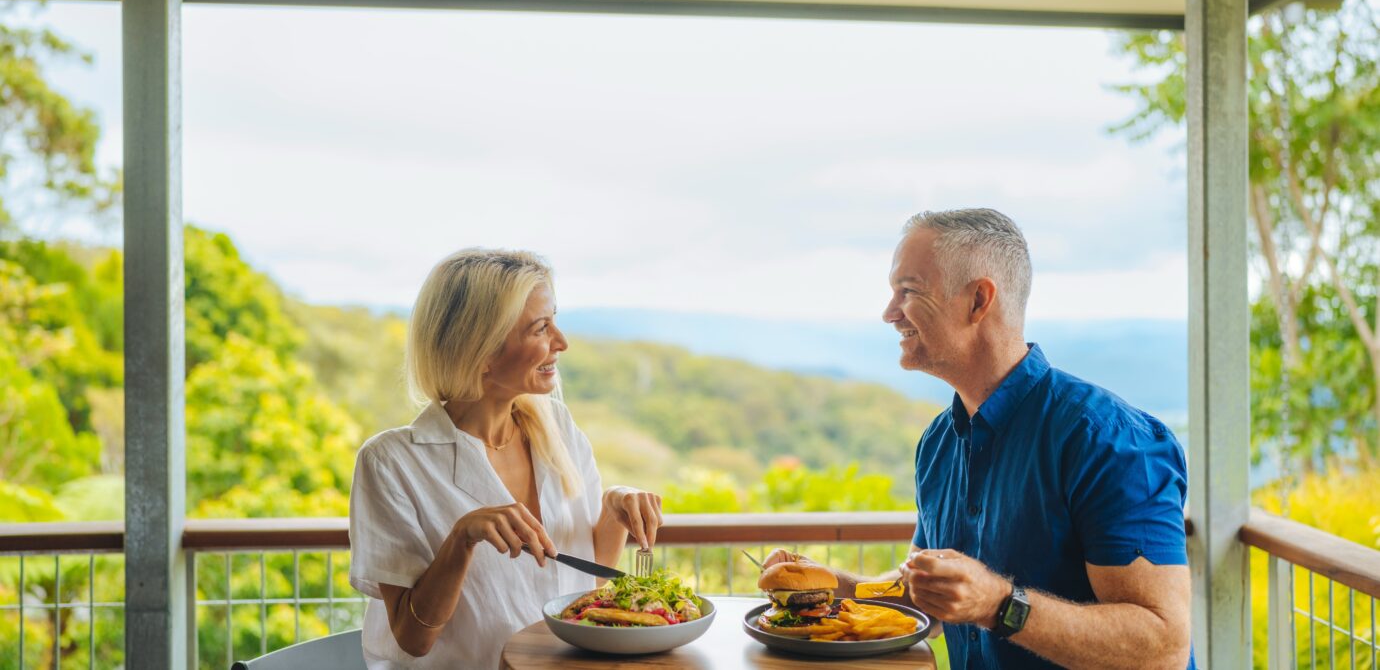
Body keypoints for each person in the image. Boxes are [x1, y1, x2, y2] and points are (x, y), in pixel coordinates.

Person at [765, 208, 1193, 670]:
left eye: (907, 291)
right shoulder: (938, 442)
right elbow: (926, 595)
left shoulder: (1108, 440)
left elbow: (1162, 646)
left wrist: (999, 605)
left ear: (978, 300)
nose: (889, 313)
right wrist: (835, 586)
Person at [348, 249, 663, 669]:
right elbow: (413, 638)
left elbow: (588, 583)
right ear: (482, 351)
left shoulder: (559, 430)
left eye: (555, 320)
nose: (561, 342)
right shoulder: (390, 464)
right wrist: (462, 539)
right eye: (540, 328)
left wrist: (612, 509)